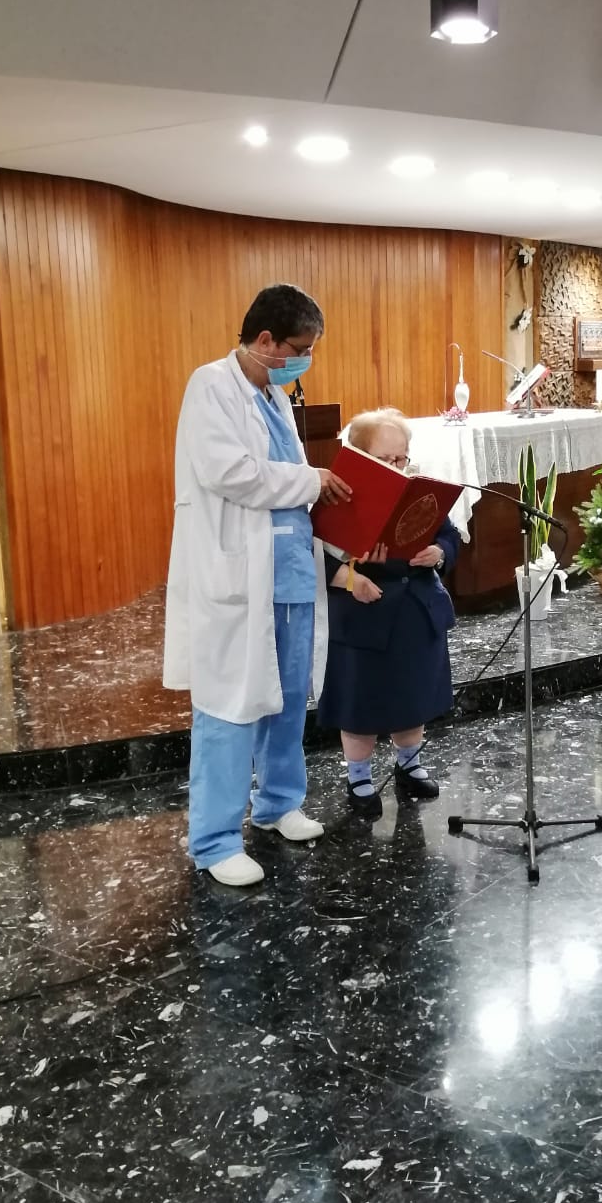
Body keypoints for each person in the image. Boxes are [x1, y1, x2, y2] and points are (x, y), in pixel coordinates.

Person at [162, 283, 352, 887]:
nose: (304, 361)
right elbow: (231, 473)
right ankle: (215, 840)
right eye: (299, 349)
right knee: (230, 704)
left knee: (288, 697)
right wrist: (311, 480)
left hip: (289, 571)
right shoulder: (211, 386)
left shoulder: (274, 395)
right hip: (240, 578)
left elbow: (287, 475)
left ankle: (276, 804)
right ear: (266, 340)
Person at [317, 409, 459, 820]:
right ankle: (359, 778)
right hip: (364, 614)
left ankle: (409, 766)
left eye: (402, 458)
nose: (397, 467)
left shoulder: (418, 489)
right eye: (386, 460)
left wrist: (438, 553)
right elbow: (313, 556)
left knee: (413, 695)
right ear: (361, 459)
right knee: (361, 703)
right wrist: (351, 578)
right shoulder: (336, 497)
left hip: (415, 609)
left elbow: (449, 535)